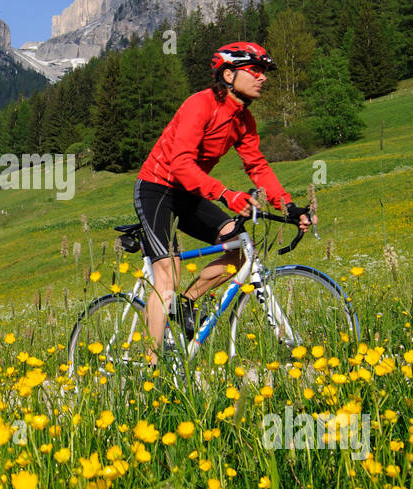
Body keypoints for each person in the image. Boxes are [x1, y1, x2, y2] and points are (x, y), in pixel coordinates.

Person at [133, 41, 315, 362]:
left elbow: (257, 167)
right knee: (167, 279)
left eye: (264, 73)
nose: (263, 78)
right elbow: (181, 165)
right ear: (229, 75)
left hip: (189, 194)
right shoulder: (199, 105)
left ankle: (187, 303)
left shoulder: (243, 121)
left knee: (239, 250)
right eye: (255, 71)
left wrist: (288, 206)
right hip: (157, 189)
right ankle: (150, 369)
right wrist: (227, 194)